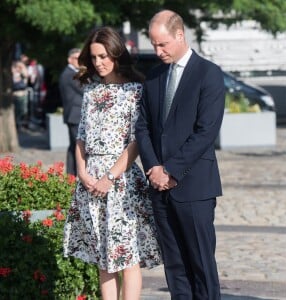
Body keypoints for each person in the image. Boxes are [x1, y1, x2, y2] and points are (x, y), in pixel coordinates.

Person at [63, 26, 162, 300]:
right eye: (94, 57)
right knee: (103, 260)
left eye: (104, 56)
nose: (98, 62)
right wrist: (82, 172)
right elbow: (80, 138)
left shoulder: (135, 91)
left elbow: (137, 141)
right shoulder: (91, 93)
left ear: (117, 54)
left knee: (127, 258)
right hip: (91, 183)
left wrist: (110, 178)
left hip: (122, 183)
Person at [135, 10, 225, 300]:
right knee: (174, 267)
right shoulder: (155, 75)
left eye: (163, 44)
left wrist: (171, 170)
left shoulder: (208, 73)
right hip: (159, 187)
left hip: (194, 186)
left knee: (201, 265)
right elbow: (143, 125)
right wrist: (154, 168)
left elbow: (206, 131)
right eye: (154, 45)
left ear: (179, 35)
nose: (157, 51)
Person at [59, 48, 83, 175]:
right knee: (79, 147)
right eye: (77, 58)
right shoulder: (70, 74)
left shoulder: (71, 72)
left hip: (74, 115)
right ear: (69, 59)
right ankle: (75, 175)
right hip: (75, 116)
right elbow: (84, 89)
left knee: (73, 147)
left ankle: (71, 176)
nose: (80, 61)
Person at [11, 60, 29, 129]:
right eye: (16, 67)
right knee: (16, 111)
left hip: (22, 94)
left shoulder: (22, 75)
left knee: (23, 111)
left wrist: (21, 66)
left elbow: (26, 74)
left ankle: (23, 123)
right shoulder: (12, 75)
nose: (17, 69)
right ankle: (17, 124)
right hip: (15, 95)